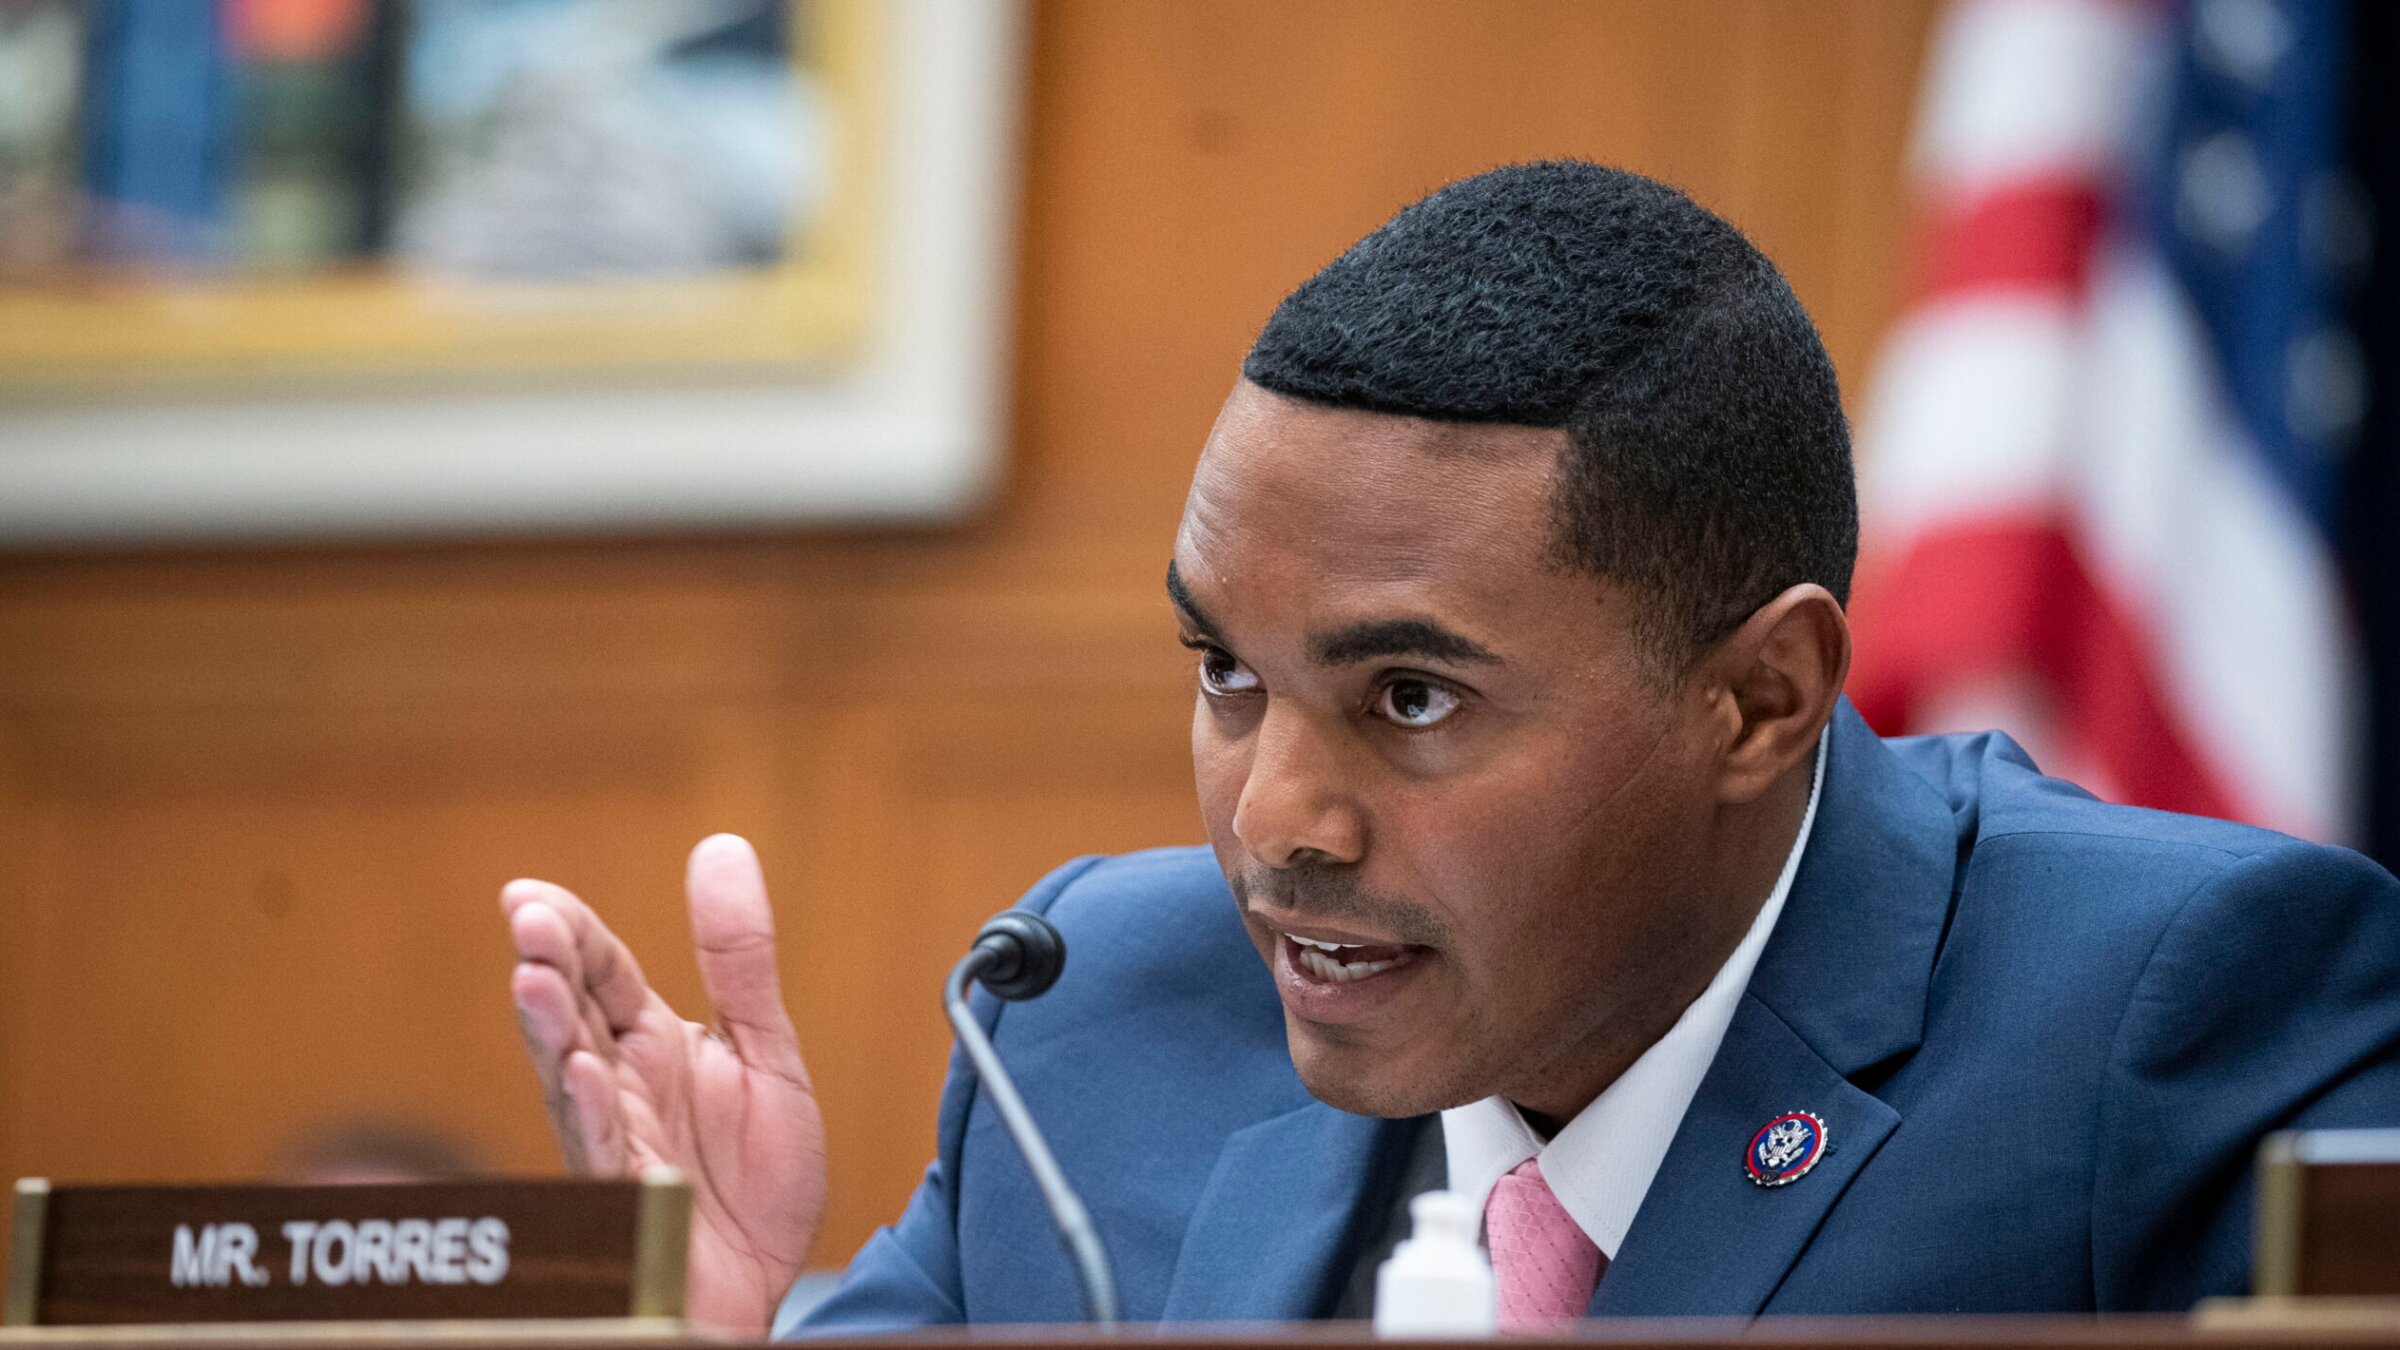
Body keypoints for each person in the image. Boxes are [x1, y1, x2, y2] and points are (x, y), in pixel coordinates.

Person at [500, 162, 2400, 1336]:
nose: (1275, 824)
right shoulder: (1088, 1025)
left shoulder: (2173, 1016)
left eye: (1410, 698)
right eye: (1225, 674)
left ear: (1761, 698)